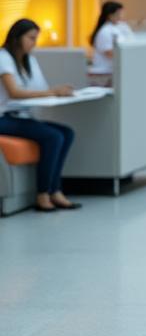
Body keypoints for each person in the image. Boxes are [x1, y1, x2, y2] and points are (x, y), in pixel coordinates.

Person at [0, 19, 81, 212]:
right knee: (52, 136)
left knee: (67, 133)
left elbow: (40, 89)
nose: (34, 43)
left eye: (36, 39)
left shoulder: (29, 61)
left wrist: (57, 92)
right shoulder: (3, 57)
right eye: (31, 38)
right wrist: (53, 92)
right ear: (17, 37)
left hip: (20, 116)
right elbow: (15, 92)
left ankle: (55, 191)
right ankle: (43, 194)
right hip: (4, 118)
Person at [89, 0, 133, 85]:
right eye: (118, 14)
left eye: (122, 13)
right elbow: (110, 53)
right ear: (110, 15)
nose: (121, 17)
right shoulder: (104, 31)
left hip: (114, 72)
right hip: (103, 74)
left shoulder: (120, 27)